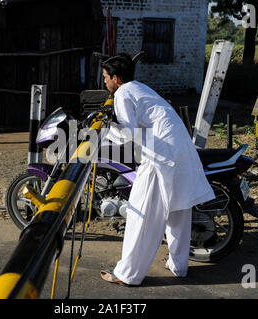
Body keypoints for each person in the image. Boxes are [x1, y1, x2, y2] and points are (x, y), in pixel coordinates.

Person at [99, 53, 215, 286]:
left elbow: (128, 134)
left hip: (160, 152)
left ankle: (128, 274)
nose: (104, 82)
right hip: (180, 146)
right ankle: (178, 265)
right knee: (178, 210)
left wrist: (106, 128)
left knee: (141, 213)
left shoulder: (121, 93)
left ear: (116, 78)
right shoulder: (140, 87)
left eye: (105, 77)